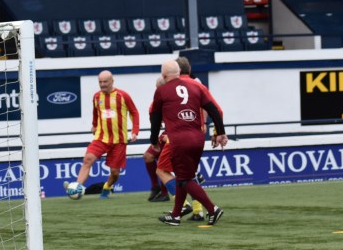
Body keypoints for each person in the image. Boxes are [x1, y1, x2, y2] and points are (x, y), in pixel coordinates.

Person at [149, 59, 227, 226]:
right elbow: (214, 110)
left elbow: (155, 119)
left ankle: (212, 209)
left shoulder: (161, 91)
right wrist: (220, 132)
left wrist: (153, 140)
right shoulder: (196, 86)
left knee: (185, 180)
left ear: (164, 75)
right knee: (183, 177)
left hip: (179, 140)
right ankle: (176, 215)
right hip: (198, 138)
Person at [65, 70, 139, 199]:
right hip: (101, 137)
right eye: (100, 82)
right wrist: (94, 125)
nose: (102, 84)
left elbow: (134, 112)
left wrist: (135, 131)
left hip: (119, 140)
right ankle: (76, 188)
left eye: (105, 81)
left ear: (112, 81)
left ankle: (107, 187)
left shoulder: (123, 96)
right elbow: (96, 113)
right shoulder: (97, 96)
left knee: (115, 173)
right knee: (88, 159)